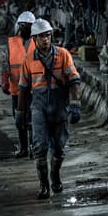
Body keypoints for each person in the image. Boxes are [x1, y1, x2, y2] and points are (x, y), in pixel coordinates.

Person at [18, 18, 82, 199]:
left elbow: (74, 80)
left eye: (47, 35)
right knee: (40, 147)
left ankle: (55, 176)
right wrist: (20, 113)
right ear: (34, 40)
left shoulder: (62, 55)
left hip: (59, 106)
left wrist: (75, 106)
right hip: (38, 108)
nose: (45, 39)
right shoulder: (28, 60)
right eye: (41, 37)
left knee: (60, 149)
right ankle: (44, 185)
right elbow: (23, 88)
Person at [1, 11, 36, 158]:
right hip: (16, 90)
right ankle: (23, 149)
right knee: (20, 120)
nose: (25, 28)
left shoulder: (39, 41)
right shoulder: (11, 42)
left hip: (35, 90)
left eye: (28, 25)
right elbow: (5, 64)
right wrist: (4, 81)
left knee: (34, 121)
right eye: (23, 25)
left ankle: (35, 148)